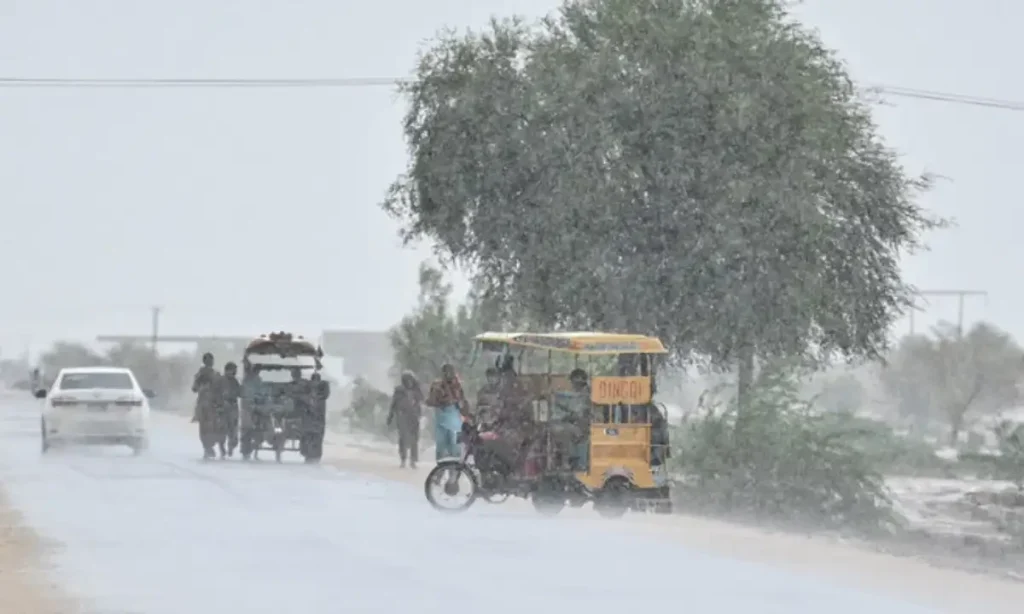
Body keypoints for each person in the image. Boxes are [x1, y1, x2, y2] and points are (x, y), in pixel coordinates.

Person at [426, 364, 469, 461]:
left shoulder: (457, 386)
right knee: (441, 445)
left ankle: (454, 472)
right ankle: (440, 471)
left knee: (455, 446)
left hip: (454, 419)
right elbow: (430, 401)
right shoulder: (437, 385)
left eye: (450, 371)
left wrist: (464, 412)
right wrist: (440, 400)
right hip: (442, 418)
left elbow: (463, 402)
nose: (448, 374)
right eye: (446, 371)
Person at [387, 371, 423, 468]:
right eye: (406, 379)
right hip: (402, 416)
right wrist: (390, 417)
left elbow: (421, 400)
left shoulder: (417, 390)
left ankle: (413, 460)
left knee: (414, 439)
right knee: (403, 438)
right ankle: (403, 459)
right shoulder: (399, 390)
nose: (409, 382)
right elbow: (393, 404)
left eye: (410, 379)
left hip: (414, 417)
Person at [191, 353, 221, 459]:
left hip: (212, 405)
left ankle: (209, 447)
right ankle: (207, 448)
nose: (210, 362)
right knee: (205, 429)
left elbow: (221, 388)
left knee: (212, 428)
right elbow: (194, 388)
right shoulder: (201, 374)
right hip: (204, 405)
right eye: (208, 360)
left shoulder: (215, 374)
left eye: (211, 360)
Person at [302, 372, 330, 462]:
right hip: (310, 421)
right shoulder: (307, 395)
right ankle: (309, 454)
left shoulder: (321, 397)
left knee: (316, 438)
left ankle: (314, 455)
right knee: (309, 437)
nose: (314, 384)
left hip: (317, 420)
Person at [217, 361, 242, 458]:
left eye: (235, 370)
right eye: (233, 370)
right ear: (228, 370)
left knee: (233, 430)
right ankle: (222, 449)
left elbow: (240, 392)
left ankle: (230, 447)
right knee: (222, 430)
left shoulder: (235, 381)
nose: (235, 372)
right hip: (223, 408)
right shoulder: (220, 380)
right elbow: (216, 393)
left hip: (233, 408)